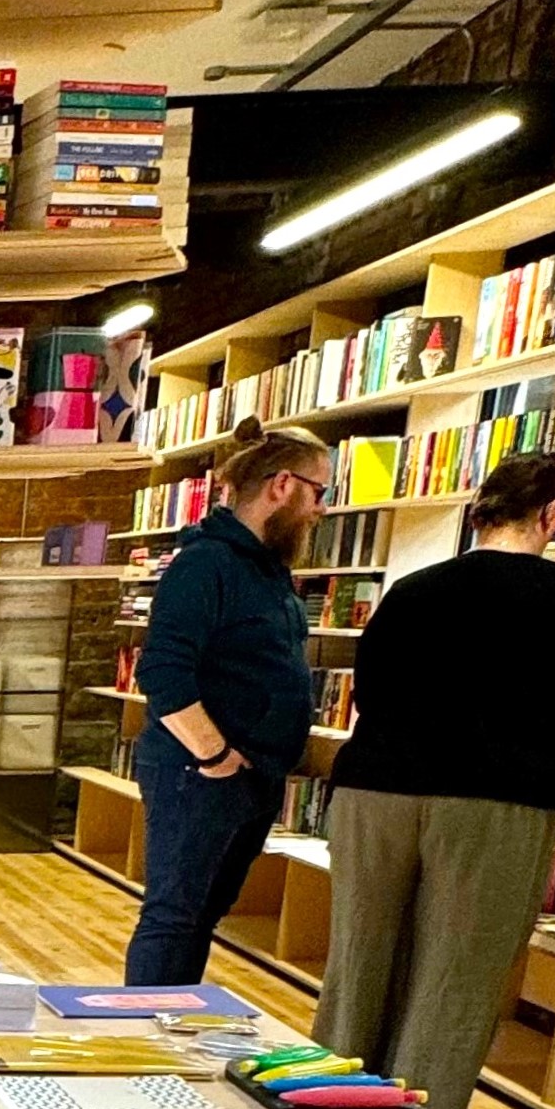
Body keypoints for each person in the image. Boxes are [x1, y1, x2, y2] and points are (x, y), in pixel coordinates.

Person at [314, 450, 555, 1109]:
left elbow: (370, 693)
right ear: (548, 515)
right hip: (498, 801)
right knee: (457, 978)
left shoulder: (414, 589)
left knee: (358, 966)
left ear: (481, 513)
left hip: (377, 790)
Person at [126, 418, 325, 984]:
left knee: (200, 917)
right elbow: (163, 671)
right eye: (319, 492)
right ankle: (140, 1041)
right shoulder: (206, 564)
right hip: (202, 773)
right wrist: (215, 756)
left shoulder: (267, 570)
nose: (321, 510)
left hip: (247, 775)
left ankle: (170, 1030)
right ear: (281, 486)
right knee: (174, 916)